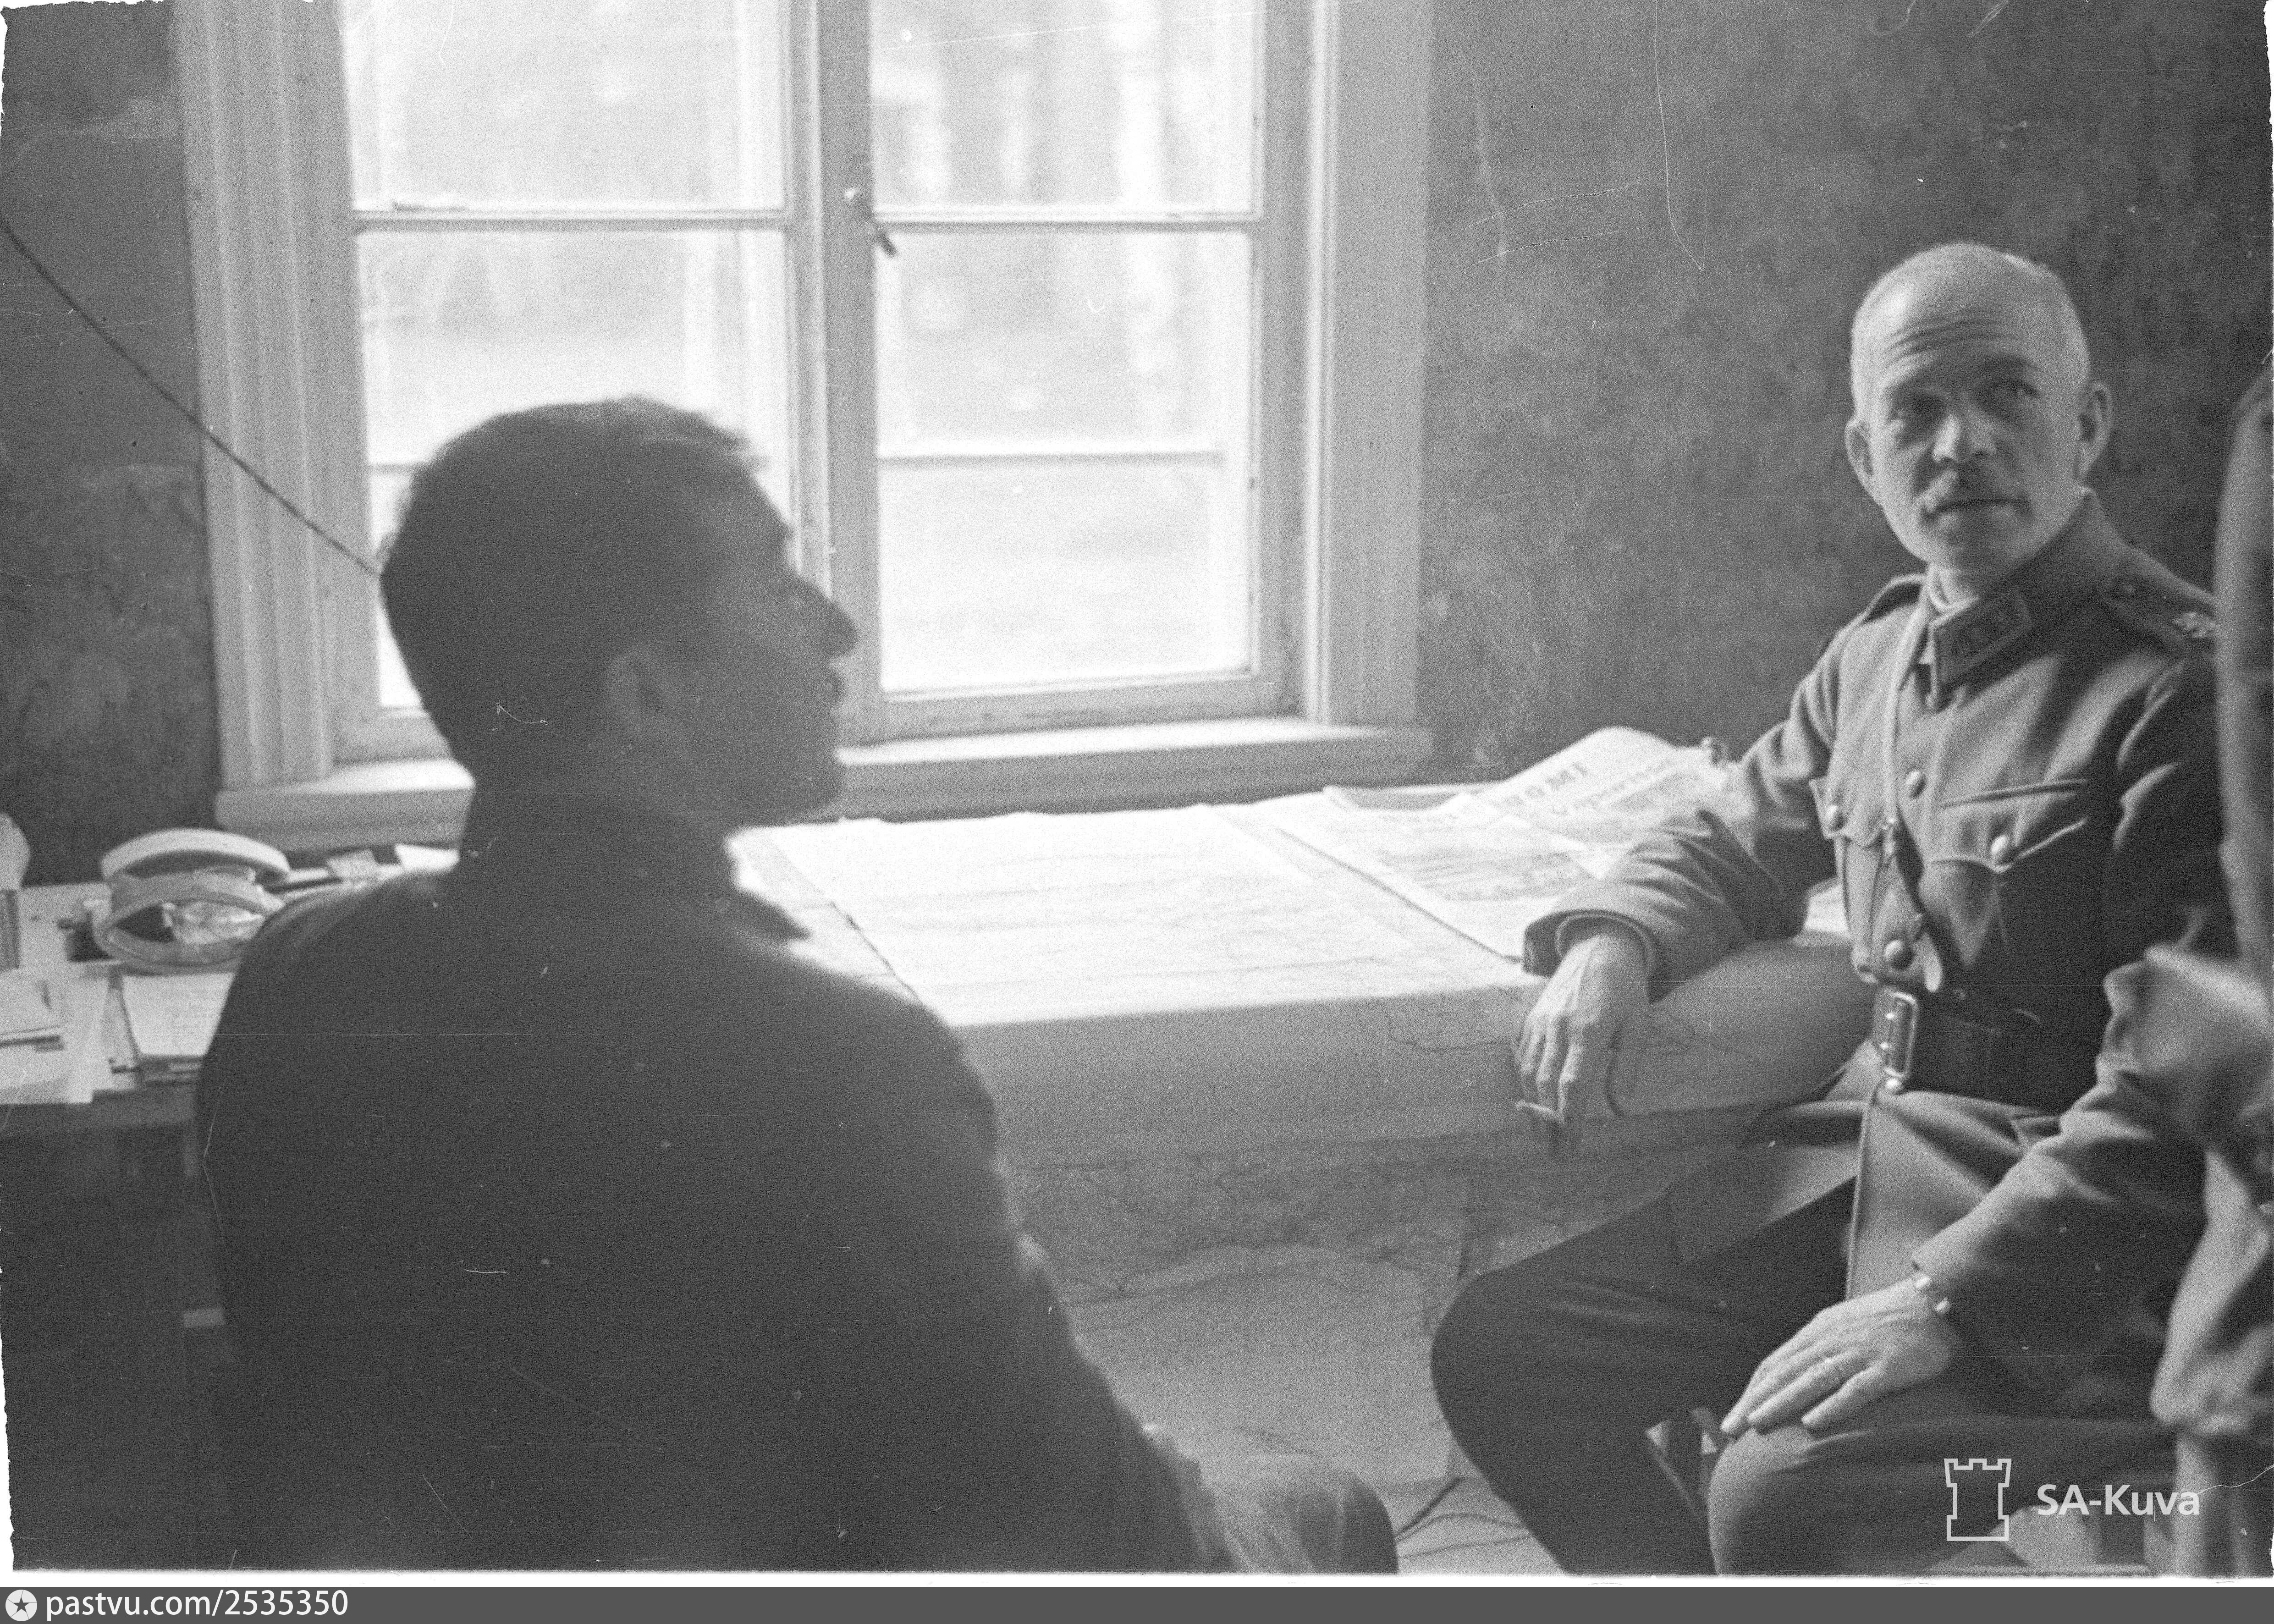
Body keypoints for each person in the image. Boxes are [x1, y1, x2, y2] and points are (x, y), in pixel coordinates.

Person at [196, 399, 1398, 1573]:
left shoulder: (297, 967)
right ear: (644, 692)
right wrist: (1174, 1488)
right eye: (776, 586)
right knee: (1305, 1496)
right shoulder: (839, 1061)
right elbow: (1101, 1544)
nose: (837, 629)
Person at [1430, 243, 2231, 1573]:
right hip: (1878, 1174)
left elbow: (2185, 1093)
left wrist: (1947, 1304)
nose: (1961, 445)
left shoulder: (2181, 694)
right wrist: (1615, 938)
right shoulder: (1877, 657)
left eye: (2007, 394)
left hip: (2096, 1260)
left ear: (2087, 424)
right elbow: (1735, 835)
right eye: (1914, 412)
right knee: (1513, 1352)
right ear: (1865, 458)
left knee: (1782, 1494)